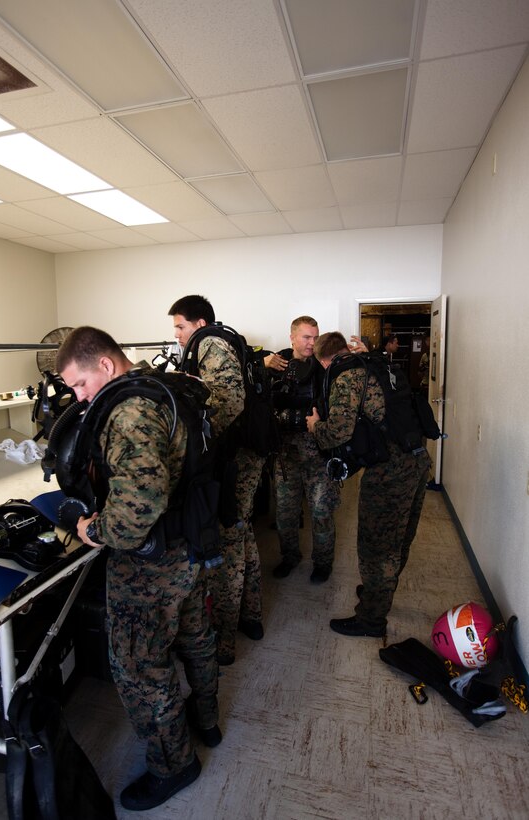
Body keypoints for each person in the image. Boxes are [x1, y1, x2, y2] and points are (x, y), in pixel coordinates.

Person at [56, 326, 220, 812]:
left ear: (105, 365)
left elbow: (136, 509)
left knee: (140, 669)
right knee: (195, 636)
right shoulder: (162, 387)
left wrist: (90, 529)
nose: (79, 397)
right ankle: (206, 720)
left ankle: (174, 766)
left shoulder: (128, 412)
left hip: (151, 564)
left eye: (80, 385)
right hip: (189, 546)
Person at [307, 331, 431, 637]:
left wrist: (314, 426)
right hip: (417, 460)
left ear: (326, 360)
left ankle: (371, 620)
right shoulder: (377, 363)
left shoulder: (346, 376)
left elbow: (338, 432)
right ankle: (379, 594)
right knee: (398, 539)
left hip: (390, 471)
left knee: (377, 548)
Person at [168, 295, 263, 666]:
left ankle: (224, 639)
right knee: (243, 534)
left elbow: (229, 401)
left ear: (199, 324)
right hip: (242, 456)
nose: (177, 335)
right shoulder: (222, 341)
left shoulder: (209, 343)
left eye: (180, 326)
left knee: (227, 548)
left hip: (233, 461)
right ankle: (251, 616)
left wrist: (197, 447)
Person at [269, 316, 339, 583]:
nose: (312, 342)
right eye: (306, 337)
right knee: (285, 514)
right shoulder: (277, 364)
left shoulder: (326, 365)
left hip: (317, 453)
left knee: (321, 512)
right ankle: (290, 557)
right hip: (286, 454)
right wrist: (262, 364)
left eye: (315, 337)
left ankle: (323, 562)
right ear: (292, 337)